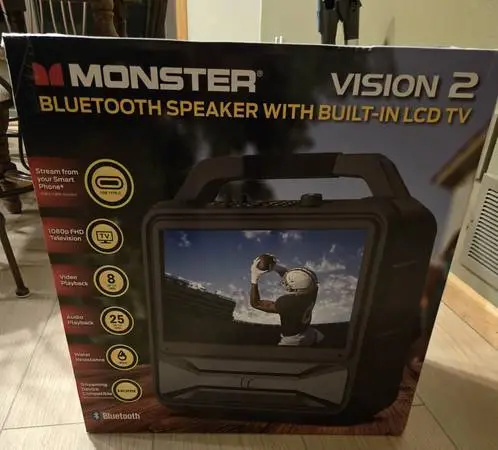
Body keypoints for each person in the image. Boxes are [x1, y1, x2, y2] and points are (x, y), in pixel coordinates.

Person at [249, 255, 324, 346]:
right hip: (308, 332)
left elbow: (256, 303)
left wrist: (254, 278)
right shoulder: (312, 290)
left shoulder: (287, 303)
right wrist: (274, 267)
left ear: (296, 288)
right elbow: (298, 279)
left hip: (293, 340)